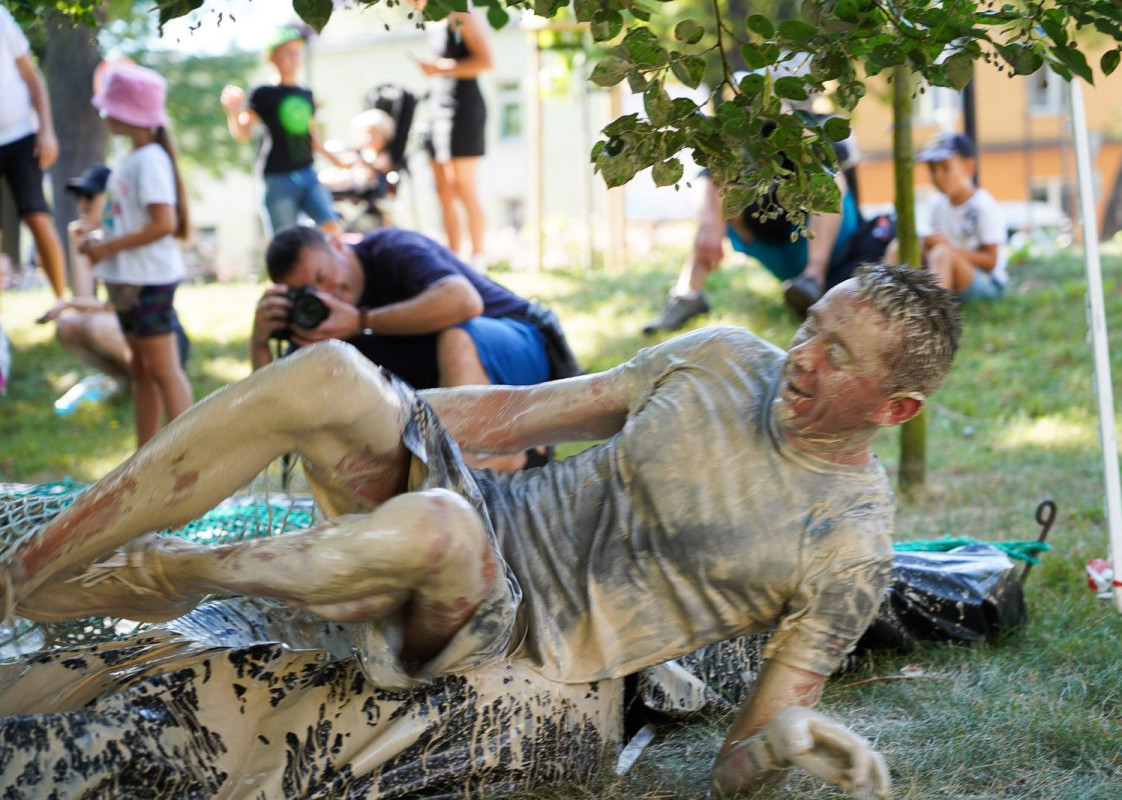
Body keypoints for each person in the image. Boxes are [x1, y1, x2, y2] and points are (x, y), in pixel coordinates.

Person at [0, 263, 960, 798]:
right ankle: (24, 571)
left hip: (529, 637)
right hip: (475, 518)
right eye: (811, 328)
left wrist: (787, 736)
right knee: (329, 372)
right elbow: (519, 415)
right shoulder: (719, 356)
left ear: (896, 408)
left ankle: (189, 570)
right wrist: (367, 415)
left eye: (838, 356)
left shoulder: (849, 547)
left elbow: (730, 770)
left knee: (439, 529)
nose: (802, 359)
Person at [251, 225, 562, 469]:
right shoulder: (314, 319)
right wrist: (261, 342)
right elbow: (283, 410)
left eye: (323, 276)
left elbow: (464, 301)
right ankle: (500, 463)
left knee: (456, 339)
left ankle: (478, 465)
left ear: (337, 244)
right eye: (308, 292)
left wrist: (361, 320)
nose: (325, 295)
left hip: (523, 347)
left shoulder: (391, 248)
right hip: (443, 403)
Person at [77, 63, 194, 446]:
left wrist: (107, 248)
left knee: (163, 369)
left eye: (111, 106)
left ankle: (188, 460)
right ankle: (145, 460)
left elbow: (164, 223)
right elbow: (128, 221)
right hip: (125, 279)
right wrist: (98, 240)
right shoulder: (131, 160)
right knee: (140, 368)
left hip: (149, 280)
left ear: (130, 113)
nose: (105, 113)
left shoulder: (151, 160)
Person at [643, 148, 862, 335]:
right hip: (778, 244)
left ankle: (814, 278)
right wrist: (710, 223)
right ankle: (688, 295)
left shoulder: (817, 124)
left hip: (837, 248)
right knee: (718, 191)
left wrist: (784, 114)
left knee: (826, 175)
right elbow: (706, 176)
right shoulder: (746, 132)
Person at [39, 164, 191, 407]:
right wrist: (79, 247)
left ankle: (148, 383)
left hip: (160, 334)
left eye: (90, 195)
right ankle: (126, 381)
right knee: (70, 324)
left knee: (95, 324)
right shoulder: (91, 238)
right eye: (79, 197)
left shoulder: (124, 236)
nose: (83, 203)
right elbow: (84, 299)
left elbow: (117, 305)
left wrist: (70, 302)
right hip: (127, 327)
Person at [220, 24, 343, 237]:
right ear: (272, 58)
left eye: (297, 52)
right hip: (277, 179)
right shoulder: (263, 92)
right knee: (286, 241)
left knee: (332, 230)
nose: (294, 58)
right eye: (287, 53)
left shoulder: (306, 93)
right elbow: (243, 133)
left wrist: (340, 163)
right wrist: (232, 112)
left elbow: (311, 136)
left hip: (307, 173)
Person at [412, 0, 493, 270]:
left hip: (464, 109)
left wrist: (439, 68)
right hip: (437, 109)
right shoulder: (433, 22)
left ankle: (478, 260)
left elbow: (486, 61)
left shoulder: (461, 13)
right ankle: (453, 259)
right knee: (444, 191)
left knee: (464, 188)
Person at [0, 4, 67, 312]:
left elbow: (31, 74)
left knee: (36, 216)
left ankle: (61, 302)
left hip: (21, 134)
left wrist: (47, 131)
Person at [893, 131, 1007, 301]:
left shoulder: (983, 206)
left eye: (945, 168)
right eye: (932, 169)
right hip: (950, 275)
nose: (937, 176)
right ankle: (891, 303)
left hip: (987, 282)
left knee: (941, 253)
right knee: (899, 246)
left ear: (969, 167)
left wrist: (948, 248)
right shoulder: (936, 205)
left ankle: (935, 316)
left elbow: (991, 261)